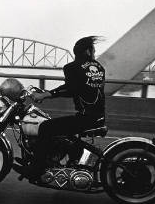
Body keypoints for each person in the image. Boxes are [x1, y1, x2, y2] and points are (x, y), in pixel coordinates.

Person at [15, 36, 106, 182]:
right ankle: (63, 157)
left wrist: (45, 95)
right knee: (60, 132)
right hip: (98, 116)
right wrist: (47, 93)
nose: (94, 53)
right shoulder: (99, 67)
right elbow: (81, 88)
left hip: (85, 118)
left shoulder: (72, 67)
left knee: (45, 127)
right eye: (93, 50)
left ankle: (36, 169)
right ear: (88, 51)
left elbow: (71, 89)